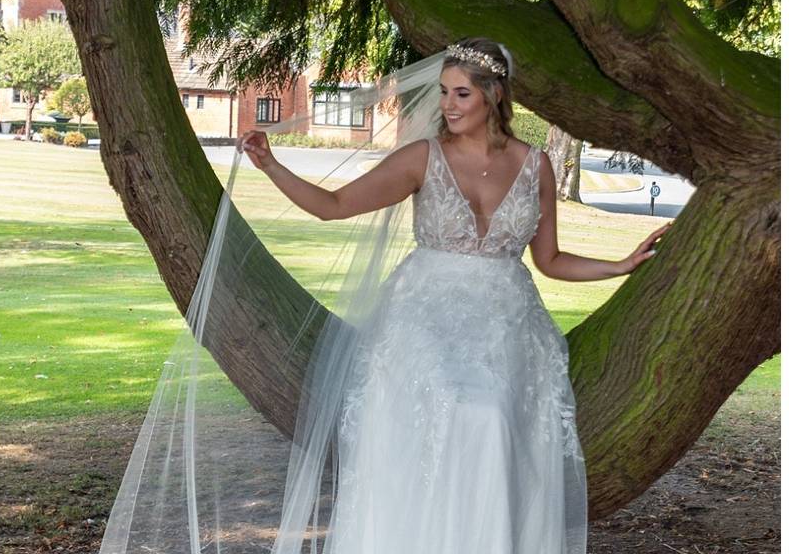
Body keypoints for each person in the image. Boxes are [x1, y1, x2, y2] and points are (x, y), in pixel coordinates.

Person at [232, 37, 671, 553]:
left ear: (494, 95)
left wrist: (619, 265)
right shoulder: (423, 158)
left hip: (506, 323)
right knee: (451, 409)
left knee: (490, 422)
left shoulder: (536, 167)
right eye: (444, 92)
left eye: (461, 94)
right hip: (424, 315)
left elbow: (550, 261)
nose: (447, 105)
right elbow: (334, 205)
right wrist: (271, 165)